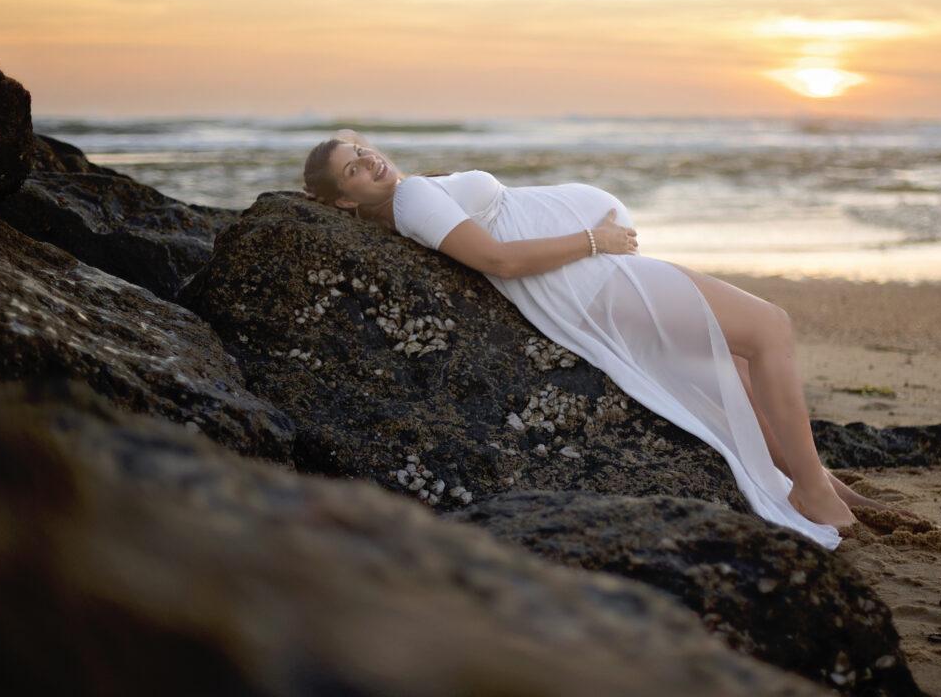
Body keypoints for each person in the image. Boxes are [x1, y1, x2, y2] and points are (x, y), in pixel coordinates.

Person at [302, 129, 909, 550]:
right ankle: (811, 491)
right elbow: (498, 259)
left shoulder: (410, 197)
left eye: (360, 150)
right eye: (352, 169)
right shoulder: (410, 199)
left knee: (737, 364)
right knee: (769, 327)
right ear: (343, 199)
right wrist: (597, 241)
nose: (367, 161)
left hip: (593, 279)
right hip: (594, 280)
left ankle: (820, 481)